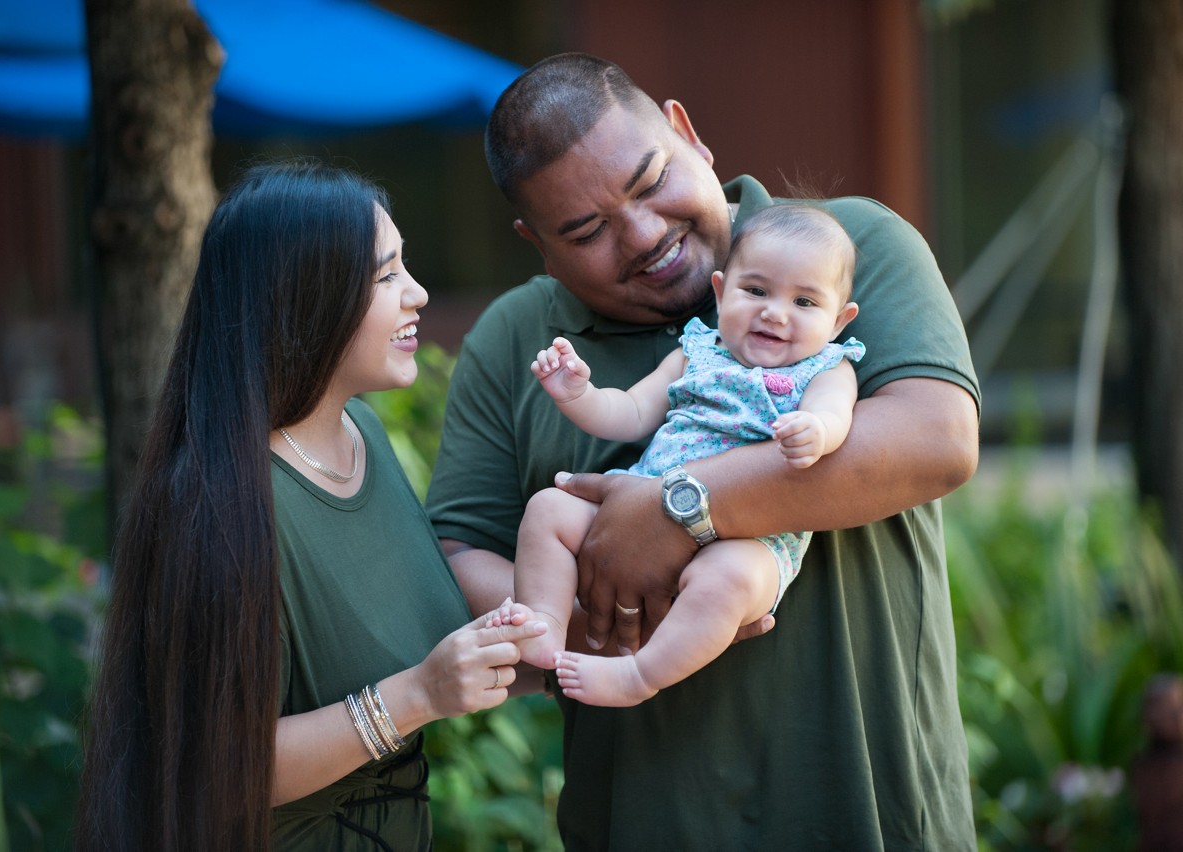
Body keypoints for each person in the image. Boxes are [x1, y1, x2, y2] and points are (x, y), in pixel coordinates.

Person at [425, 53, 981, 848]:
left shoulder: (845, 248)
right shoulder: (515, 340)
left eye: (651, 182)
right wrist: (604, 629)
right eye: (586, 231)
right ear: (536, 243)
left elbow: (937, 441)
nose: (645, 235)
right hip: (641, 823)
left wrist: (680, 510)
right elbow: (456, 554)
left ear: (688, 135)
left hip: (870, 812)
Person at [76, 160, 546, 852]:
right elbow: (217, 768)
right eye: (386, 276)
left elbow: (417, 655)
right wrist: (416, 695)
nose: (415, 293)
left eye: (404, 267)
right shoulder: (216, 502)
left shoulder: (367, 438)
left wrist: (582, 654)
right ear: (304, 299)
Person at [500, 203, 863, 707]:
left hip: (752, 538)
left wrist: (816, 430)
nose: (774, 312)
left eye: (804, 302)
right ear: (720, 291)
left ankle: (639, 676)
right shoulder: (696, 353)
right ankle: (543, 625)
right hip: (639, 509)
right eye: (755, 290)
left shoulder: (827, 367)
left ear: (839, 319)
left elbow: (836, 416)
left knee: (728, 580)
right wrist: (577, 394)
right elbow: (629, 411)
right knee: (549, 509)